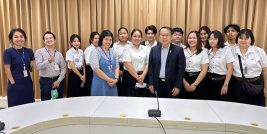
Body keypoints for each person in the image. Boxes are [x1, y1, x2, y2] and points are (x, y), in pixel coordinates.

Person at [231, 29, 267, 106]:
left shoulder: (259, 51)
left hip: (255, 85)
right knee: (237, 109)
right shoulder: (231, 51)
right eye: (241, 38)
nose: (243, 40)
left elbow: (264, 70)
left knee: (254, 111)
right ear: (237, 39)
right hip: (237, 85)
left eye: (246, 38)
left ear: (251, 40)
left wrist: (265, 87)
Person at [149, 26, 185, 98]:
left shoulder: (179, 50)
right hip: (157, 85)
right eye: (162, 35)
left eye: (167, 35)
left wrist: (177, 86)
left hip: (172, 86)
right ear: (159, 36)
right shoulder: (154, 50)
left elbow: (181, 70)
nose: (164, 37)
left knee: (171, 107)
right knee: (157, 106)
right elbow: (151, 68)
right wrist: (151, 83)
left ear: (171, 36)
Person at [3, 28, 35, 107]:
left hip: (27, 83)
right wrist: (12, 81)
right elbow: (7, 69)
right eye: (16, 37)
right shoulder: (8, 52)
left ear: (24, 38)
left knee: (29, 106)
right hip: (15, 84)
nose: (19, 39)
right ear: (11, 38)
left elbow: (31, 65)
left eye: (21, 36)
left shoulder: (29, 51)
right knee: (15, 107)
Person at [35, 31, 66, 101]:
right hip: (45, 81)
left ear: (55, 40)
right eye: (47, 39)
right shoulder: (39, 52)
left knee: (59, 102)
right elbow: (38, 66)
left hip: (58, 80)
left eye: (51, 38)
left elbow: (63, 68)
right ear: (44, 41)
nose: (49, 40)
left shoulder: (59, 54)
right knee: (46, 103)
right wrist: (48, 61)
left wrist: (59, 80)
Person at [205, 31, 234, 101]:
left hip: (221, 81)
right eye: (210, 39)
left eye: (215, 39)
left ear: (220, 40)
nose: (212, 41)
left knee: (221, 104)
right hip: (209, 80)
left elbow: (230, 69)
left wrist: (225, 84)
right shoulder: (207, 52)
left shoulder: (226, 51)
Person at [90, 30, 119, 96]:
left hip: (112, 84)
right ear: (102, 40)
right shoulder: (95, 52)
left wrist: (116, 80)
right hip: (100, 85)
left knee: (112, 104)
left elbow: (117, 67)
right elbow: (96, 69)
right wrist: (109, 80)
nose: (108, 42)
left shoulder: (114, 52)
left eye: (110, 40)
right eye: (106, 39)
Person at [121, 29, 150, 97]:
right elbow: (127, 65)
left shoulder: (146, 48)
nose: (137, 38)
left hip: (143, 77)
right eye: (135, 36)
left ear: (141, 38)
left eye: (139, 36)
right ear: (131, 37)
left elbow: (147, 63)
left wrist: (142, 76)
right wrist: (138, 77)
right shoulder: (127, 48)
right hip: (130, 77)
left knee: (143, 99)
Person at [182, 31, 209, 99]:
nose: (191, 40)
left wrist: (195, 84)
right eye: (189, 38)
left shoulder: (203, 53)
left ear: (198, 39)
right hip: (184, 79)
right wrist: (183, 81)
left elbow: (204, 70)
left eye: (194, 38)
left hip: (198, 80)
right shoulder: (182, 51)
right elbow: (179, 68)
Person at [112, 27, 132, 96]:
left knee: (128, 88)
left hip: (129, 67)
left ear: (128, 35)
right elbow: (112, 59)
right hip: (117, 66)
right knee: (119, 88)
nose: (123, 35)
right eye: (121, 34)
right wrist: (118, 71)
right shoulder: (114, 45)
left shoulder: (131, 45)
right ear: (118, 36)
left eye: (124, 33)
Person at [84, 32, 100, 96]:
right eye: (95, 38)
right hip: (91, 70)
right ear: (91, 40)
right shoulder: (89, 49)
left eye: (99, 38)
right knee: (91, 87)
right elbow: (89, 62)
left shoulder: (100, 48)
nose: (97, 40)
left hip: (99, 70)